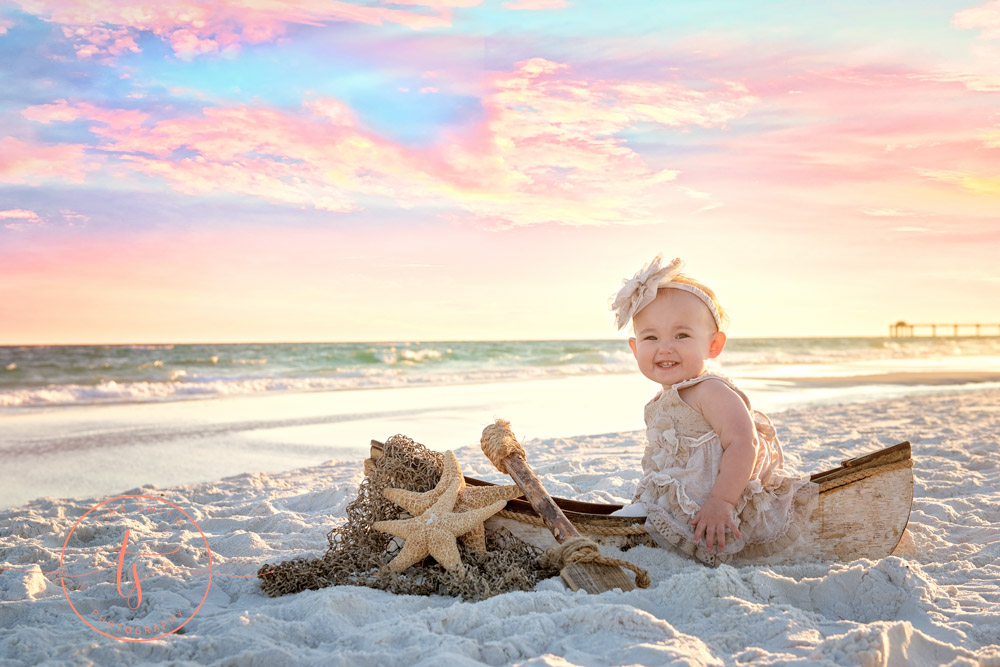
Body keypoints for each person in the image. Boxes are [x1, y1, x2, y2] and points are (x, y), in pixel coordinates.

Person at [610, 255, 816, 565]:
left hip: (711, 505)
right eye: (650, 337)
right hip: (676, 501)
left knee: (631, 525)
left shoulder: (711, 391)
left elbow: (743, 443)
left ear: (713, 345)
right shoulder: (661, 401)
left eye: (681, 335)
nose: (665, 347)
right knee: (633, 518)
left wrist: (722, 501)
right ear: (635, 348)